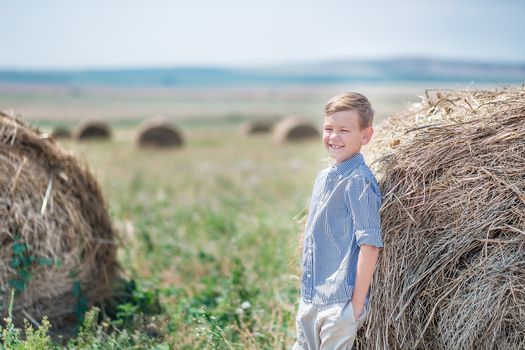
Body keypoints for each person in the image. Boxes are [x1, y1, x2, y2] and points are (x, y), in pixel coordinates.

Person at [293, 92, 384, 350]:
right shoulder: (323, 177)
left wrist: (354, 307)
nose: (334, 136)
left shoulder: (359, 181)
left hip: (338, 304)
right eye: (328, 128)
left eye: (344, 130)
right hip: (310, 298)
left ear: (365, 136)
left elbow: (370, 244)